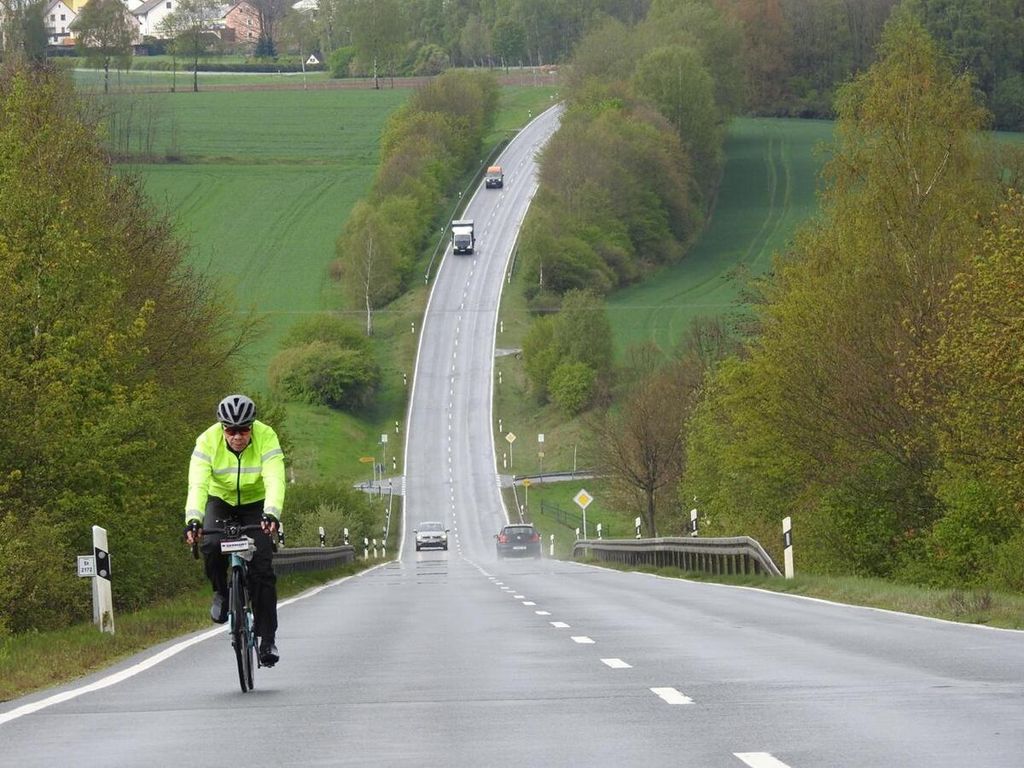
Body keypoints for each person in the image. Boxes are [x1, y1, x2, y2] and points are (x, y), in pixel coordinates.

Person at [183, 394, 285, 667]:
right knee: (210, 545)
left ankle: (267, 640)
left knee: (263, 570)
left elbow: (275, 478)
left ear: (252, 427)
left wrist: (272, 513)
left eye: (243, 430)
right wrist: (193, 519)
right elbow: (197, 484)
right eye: (231, 430)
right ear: (222, 428)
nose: (237, 436)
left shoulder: (267, 436)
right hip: (221, 501)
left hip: (256, 503)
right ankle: (221, 592)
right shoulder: (206, 441)